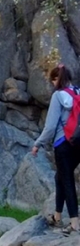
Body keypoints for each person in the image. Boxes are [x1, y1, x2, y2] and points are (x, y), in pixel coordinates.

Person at [31, 64, 80, 235]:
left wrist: (38, 143)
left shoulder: (58, 96)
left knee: (66, 180)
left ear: (55, 79)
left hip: (63, 143)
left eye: (52, 80)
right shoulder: (78, 93)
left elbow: (50, 127)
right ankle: (57, 216)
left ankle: (74, 223)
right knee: (59, 176)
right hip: (78, 143)